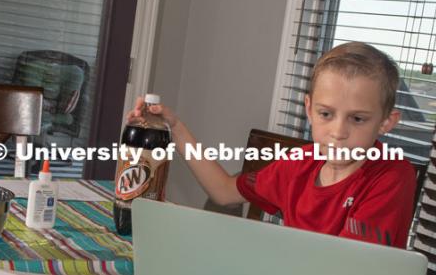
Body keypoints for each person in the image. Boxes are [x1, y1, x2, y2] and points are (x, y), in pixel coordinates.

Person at [127, 42, 416, 249]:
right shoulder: (299, 164)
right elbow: (224, 191)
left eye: (357, 119)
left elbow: (348, 274)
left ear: (386, 122)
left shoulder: (392, 176)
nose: (338, 132)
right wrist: (174, 127)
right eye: (326, 114)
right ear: (309, 108)